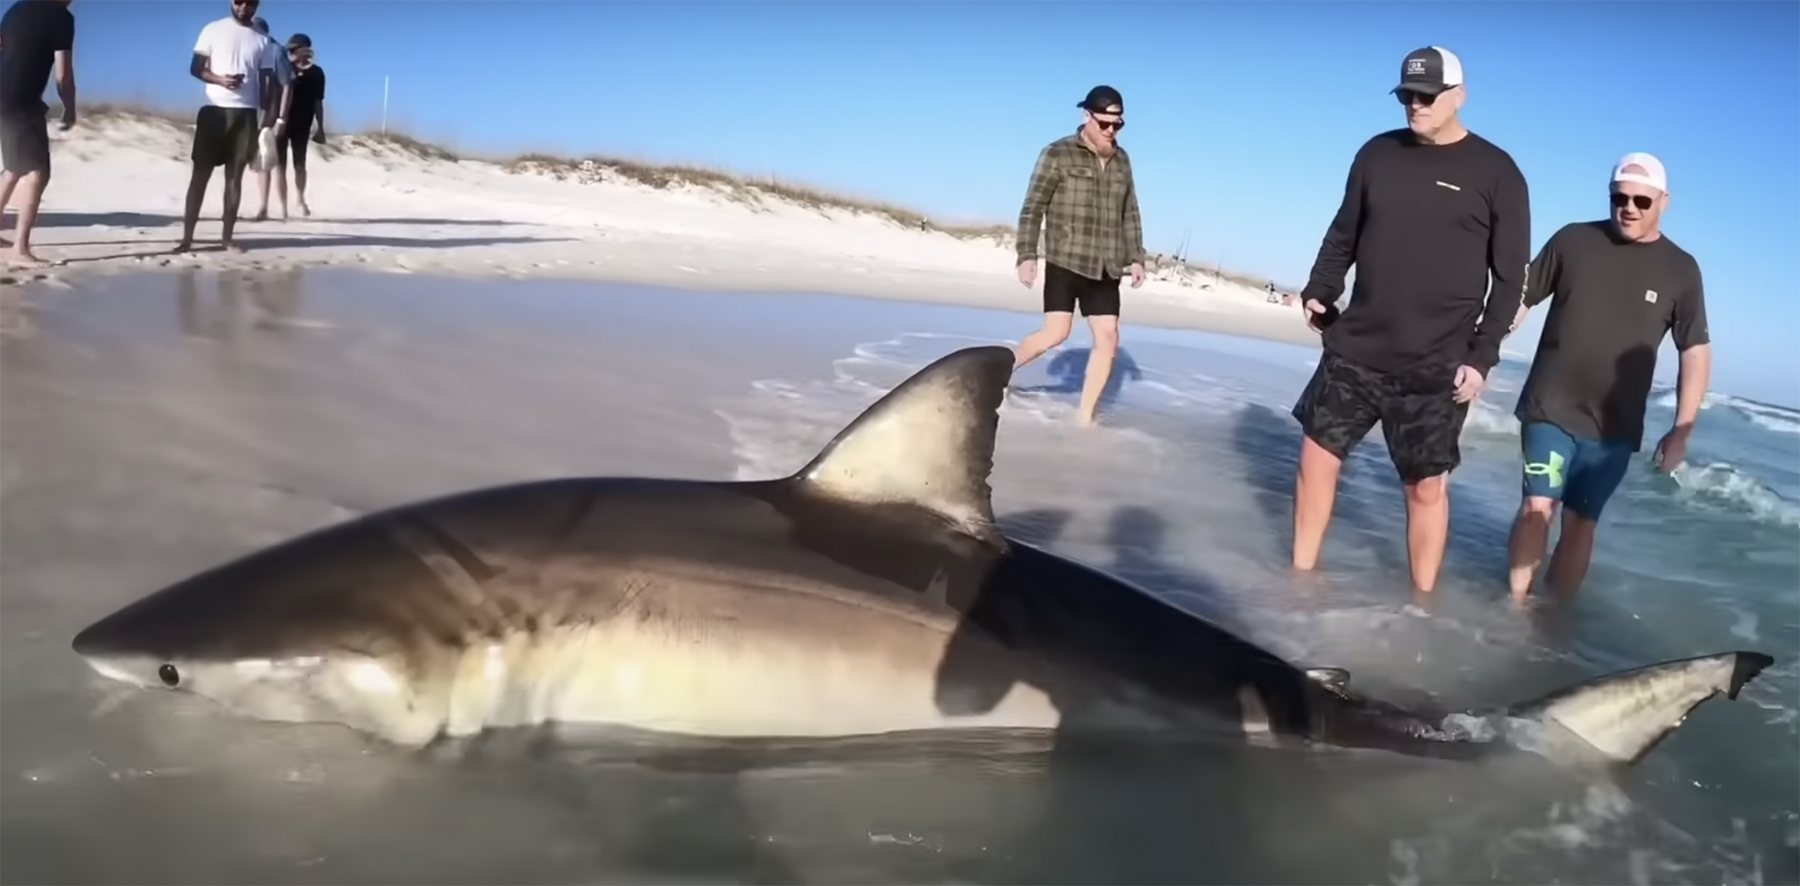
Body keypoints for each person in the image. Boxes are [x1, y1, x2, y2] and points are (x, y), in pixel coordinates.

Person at [1289, 46, 1531, 592]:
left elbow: (1511, 278)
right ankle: (1299, 580)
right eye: (1408, 96)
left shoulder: (1498, 172)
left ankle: (1421, 606)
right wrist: (1321, 289)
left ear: (1459, 96)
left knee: (1425, 489)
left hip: (1436, 362)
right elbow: (1343, 232)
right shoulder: (1377, 154)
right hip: (1357, 344)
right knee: (1316, 456)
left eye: (1427, 96)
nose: (1416, 105)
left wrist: (1482, 354)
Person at [1504, 153, 1710, 602]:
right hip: (1549, 406)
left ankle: (1553, 620)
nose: (1629, 207)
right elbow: (1521, 299)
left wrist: (1683, 428)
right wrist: (1478, 353)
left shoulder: (1681, 269)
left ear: (1664, 202)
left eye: (1641, 199)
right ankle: (1514, 610)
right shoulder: (1574, 240)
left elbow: (1693, 350)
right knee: (1537, 507)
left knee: (1581, 523)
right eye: (1620, 197)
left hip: (1614, 428)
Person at [1011, 84, 1147, 427]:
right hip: (1066, 258)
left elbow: (1130, 211)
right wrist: (1027, 254)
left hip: (1106, 265)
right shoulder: (1057, 154)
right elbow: (1033, 207)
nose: (1111, 131)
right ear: (1087, 116)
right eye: (1105, 123)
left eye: (1118, 125)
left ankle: (1085, 418)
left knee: (1109, 337)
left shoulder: (1123, 161)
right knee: (1057, 333)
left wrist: (1137, 257)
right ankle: (999, 373)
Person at [176, 0, 289, 254]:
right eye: (239, 2)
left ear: (256, 6)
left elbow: (269, 85)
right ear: (231, 2)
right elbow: (195, 68)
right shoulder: (212, 29)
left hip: (246, 115)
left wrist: (269, 123)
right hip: (213, 111)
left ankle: (227, 238)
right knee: (199, 176)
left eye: (249, 4)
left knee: (234, 179)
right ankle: (187, 238)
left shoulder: (263, 42)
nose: (243, 7)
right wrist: (220, 79)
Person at [0, 0, 74, 270]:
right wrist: (70, 107)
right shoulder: (61, 18)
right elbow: (63, 74)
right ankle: (20, 249)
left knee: (13, 168)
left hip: (3, 97)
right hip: (21, 102)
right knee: (37, 173)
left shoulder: (16, 8)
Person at [267, 32, 324, 217]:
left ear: (305, 49)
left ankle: (300, 198)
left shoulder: (316, 73)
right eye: (290, 48)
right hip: (282, 120)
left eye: (294, 48)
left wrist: (320, 126)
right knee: (280, 165)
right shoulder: (285, 67)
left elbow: (318, 101)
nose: (291, 51)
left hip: (303, 121)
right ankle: (283, 208)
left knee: (300, 164)